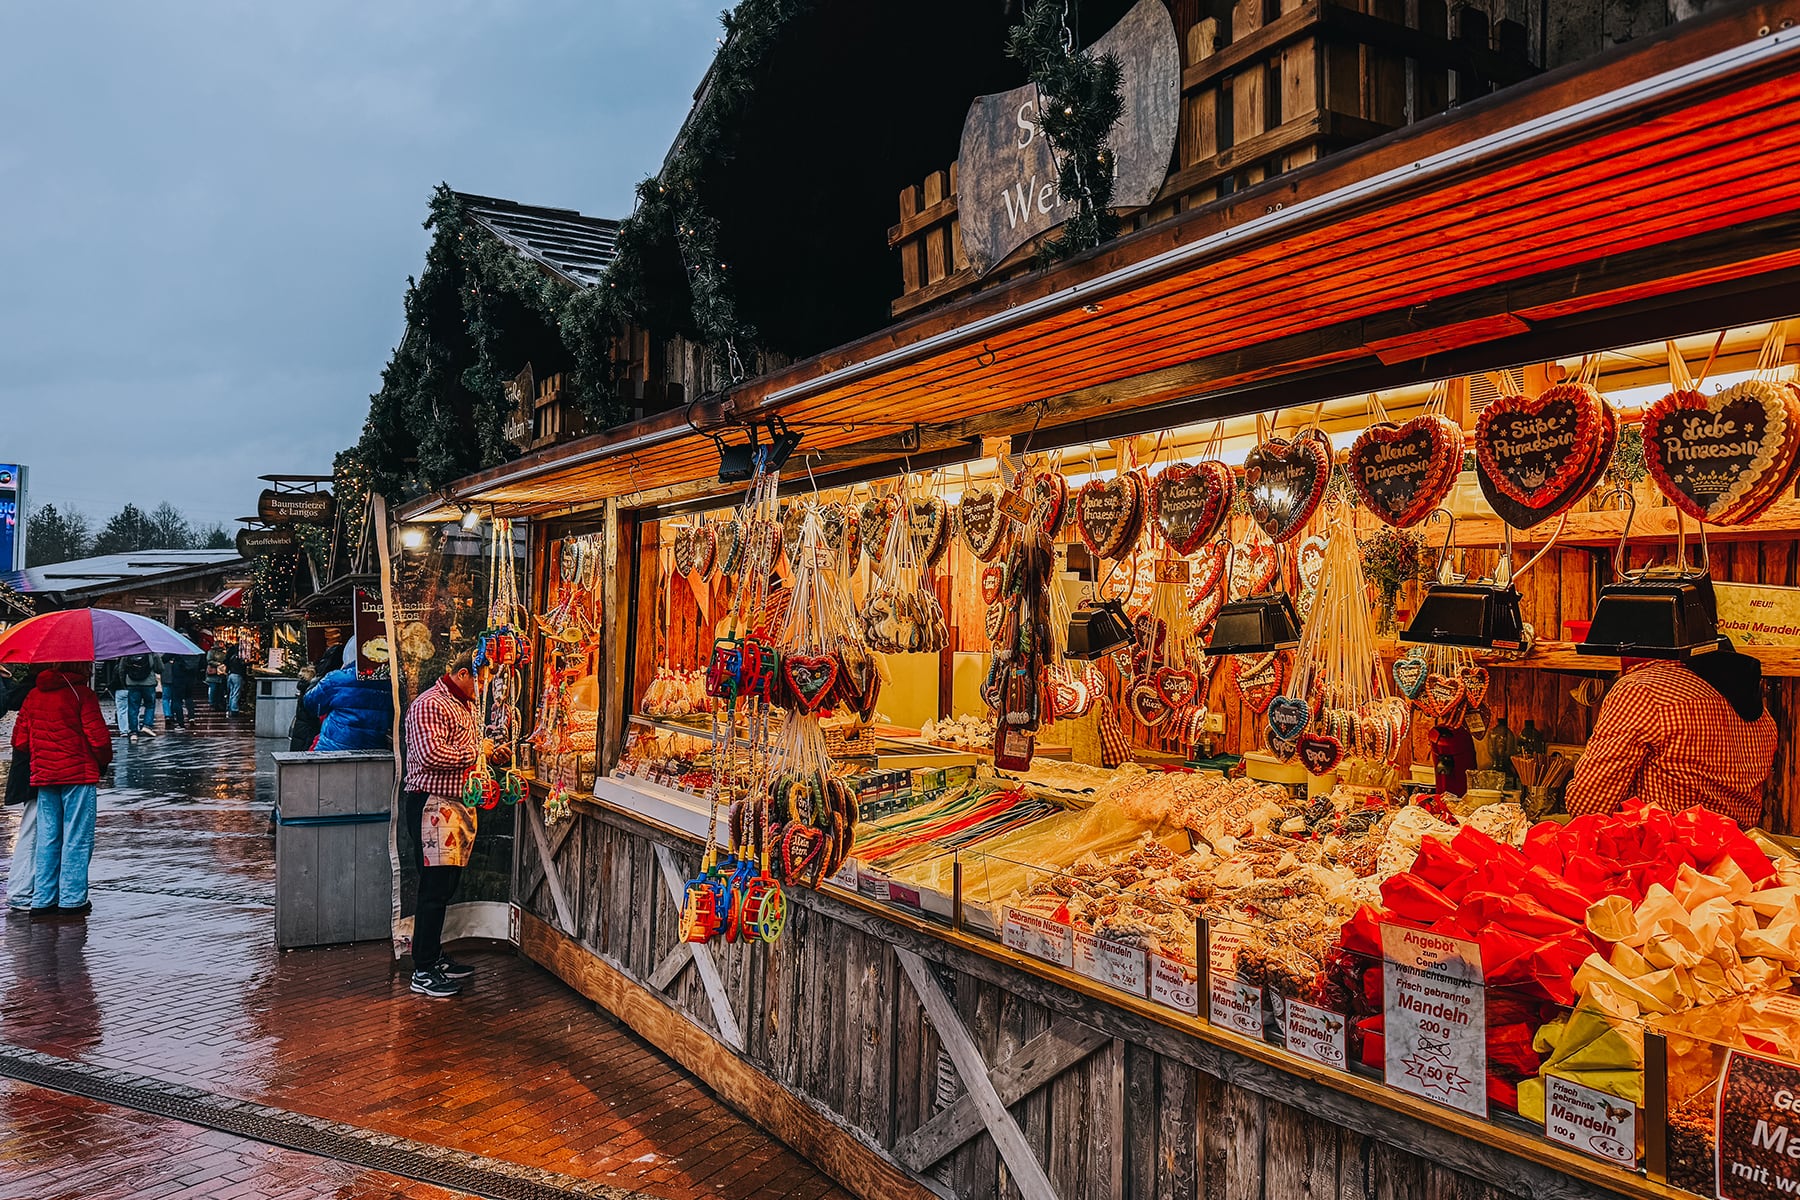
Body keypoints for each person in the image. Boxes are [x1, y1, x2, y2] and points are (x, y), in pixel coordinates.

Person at [1565, 636, 1777, 828]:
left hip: (1666, 861)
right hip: (1734, 861)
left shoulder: (1641, 691)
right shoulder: (1763, 715)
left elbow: (1588, 808)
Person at [402, 655, 482, 999]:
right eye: (480, 680)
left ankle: (433, 955)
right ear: (462, 673)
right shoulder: (429, 704)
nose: (484, 688)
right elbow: (430, 754)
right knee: (433, 888)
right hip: (432, 805)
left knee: (446, 884)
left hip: (455, 805)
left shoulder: (463, 704)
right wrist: (476, 752)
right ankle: (422, 969)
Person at [10, 662, 113, 915]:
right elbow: (98, 739)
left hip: (45, 776)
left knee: (47, 837)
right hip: (78, 774)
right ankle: (72, 899)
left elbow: (20, 740)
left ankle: (44, 899)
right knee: (77, 837)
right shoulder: (82, 695)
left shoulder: (34, 695)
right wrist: (102, 760)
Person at [2, 665, 40, 913]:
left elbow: (20, 738)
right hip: (45, 772)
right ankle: (23, 890)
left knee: (34, 828)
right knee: (34, 829)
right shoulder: (38, 692)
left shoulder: (29, 691)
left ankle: (26, 889)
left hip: (35, 769)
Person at [304, 662, 393, 753]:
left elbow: (311, 703)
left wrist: (314, 683)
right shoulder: (389, 681)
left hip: (333, 749)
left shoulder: (337, 678)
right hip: (375, 750)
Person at [119, 653, 160, 740]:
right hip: (149, 683)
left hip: (132, 684)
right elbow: (160, 669)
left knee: (133, 707)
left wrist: (125, 683)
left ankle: (133, 732)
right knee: (150, 705)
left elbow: (121, 669)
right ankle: (147, 725)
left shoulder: (127, 654)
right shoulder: (151, 654)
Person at [224, 644, 248, 717]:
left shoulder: (230, 657)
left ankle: (230, 707)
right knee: (236, 692)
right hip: (237, 675)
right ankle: (234, 709)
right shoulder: (238, 657)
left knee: (231, 692)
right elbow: (242, 665)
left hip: (231, 674)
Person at [206, 643, 229, 710]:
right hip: (214, 673)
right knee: (213, 688)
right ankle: (212, 703)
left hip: (221, 672)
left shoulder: (224, 652)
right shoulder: (212, 652)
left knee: (220, 689)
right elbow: (209, 660)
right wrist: (218, 664)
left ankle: (219, 703)